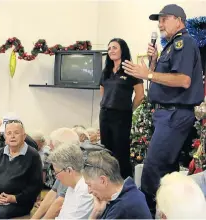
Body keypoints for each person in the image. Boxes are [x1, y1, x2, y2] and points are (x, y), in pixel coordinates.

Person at [122, 4, 204, 216]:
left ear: (179, 20)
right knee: (167, 171)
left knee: (152, 169)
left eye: (164, 18)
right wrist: (155, 61)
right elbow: (167, 79)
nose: (159, 24)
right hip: (167, 114)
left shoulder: (183, 43)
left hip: (174, 113)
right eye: (158, 20)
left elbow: (183, 80)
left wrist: (148, 74)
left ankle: (145, 213)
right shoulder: (171, 45)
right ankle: (168, 212)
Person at [99, 38, 144, 179]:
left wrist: (129, 109)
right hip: (105, 114)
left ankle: (124, 183)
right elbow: (103, 91)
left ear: (122, 50)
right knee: (106, 151)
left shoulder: (131, 70)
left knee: (121, 152)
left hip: (122, 116)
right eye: (109, 48)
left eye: (114, 47)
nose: (111, 50)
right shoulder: (106, 71)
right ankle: (108, 181)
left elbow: (140, 95)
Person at [85, 151, 152, 219]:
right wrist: (98, 211)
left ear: (103, 181)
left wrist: (94, 214)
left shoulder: (121, 208)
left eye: (89, 185)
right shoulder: (131, 193)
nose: (89, 191)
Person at [47, 143, 93, 219]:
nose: (56, 177)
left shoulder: (84, 192)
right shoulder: (73, 186)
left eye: (57, 172)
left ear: (69, 170)